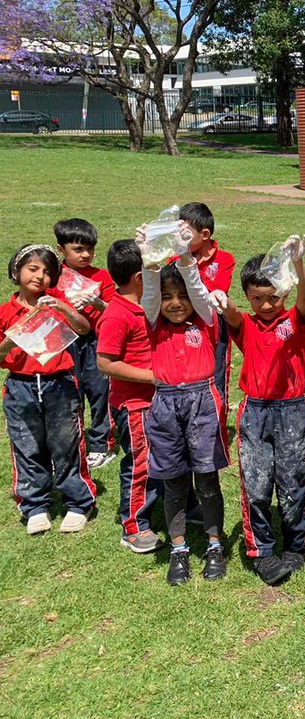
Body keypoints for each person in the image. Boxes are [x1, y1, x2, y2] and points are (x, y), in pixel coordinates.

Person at [218, 238, 305, 585]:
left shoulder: (294, 321)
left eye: (273, 296)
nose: (267, 304)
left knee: (292, 482)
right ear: (248, 297)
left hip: (292, 411)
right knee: (256, 485)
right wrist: (224, 302)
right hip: (255, 411)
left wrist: (298, 265)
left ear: (284, 293)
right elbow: (231, 314)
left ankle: (294, 545)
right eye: (257, 298)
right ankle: (262, 550)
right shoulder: (246, 323)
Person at [137, 227, 227, 583]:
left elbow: (200, 293)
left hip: (202, 403)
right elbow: (149, 295)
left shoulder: (205, 321)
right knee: (173, 483)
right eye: (168, 296)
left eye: (182, 296)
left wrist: (186, 256)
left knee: (207, 481)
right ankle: (179, 550)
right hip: (165, 405)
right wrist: (149, 259)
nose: (176, 303)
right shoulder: (154, 323)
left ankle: (215, 545)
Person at [0, 244, 95, 535]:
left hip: (60, 383)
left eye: (47, 272)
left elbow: (84, 329)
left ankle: (78, 502)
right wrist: (12, 341)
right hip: (21, 387)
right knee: (27, 445)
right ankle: (35, 505)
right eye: (32, 269)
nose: (40, 277)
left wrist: (65, 308)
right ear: (16, 272)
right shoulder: (6, 312)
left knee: (66, 443)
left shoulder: (56, 301)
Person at [95, 239, 163, 553]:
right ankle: (134, 525)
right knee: (141, 462)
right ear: (139, 277)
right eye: (154, 270)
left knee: (168, 455)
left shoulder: (146, 305)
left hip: (158, 399)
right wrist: (152, 376)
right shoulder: (116, 315)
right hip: (135, 404)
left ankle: (181, 507)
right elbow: (105, 362)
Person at [54, 218, 116, 470]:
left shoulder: (101, 276)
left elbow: (115, 311)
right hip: (63, 341)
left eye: (90, 249)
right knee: (69, 394)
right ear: (61, 250)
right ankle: (72, 442)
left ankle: (101, 445)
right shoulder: (53, 275)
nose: (86, 255)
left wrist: (97, 303)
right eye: (78, 249)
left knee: (100, 391)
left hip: (94, 342)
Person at [176, 203, 237, 400]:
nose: (180, 238)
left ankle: (218, 424)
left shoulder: (225, 259)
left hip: (215, 324)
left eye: (185, 233)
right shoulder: (176, 259)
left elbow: (217, 292)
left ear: (204, 234)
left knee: (217, 372)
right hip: (186, 323)